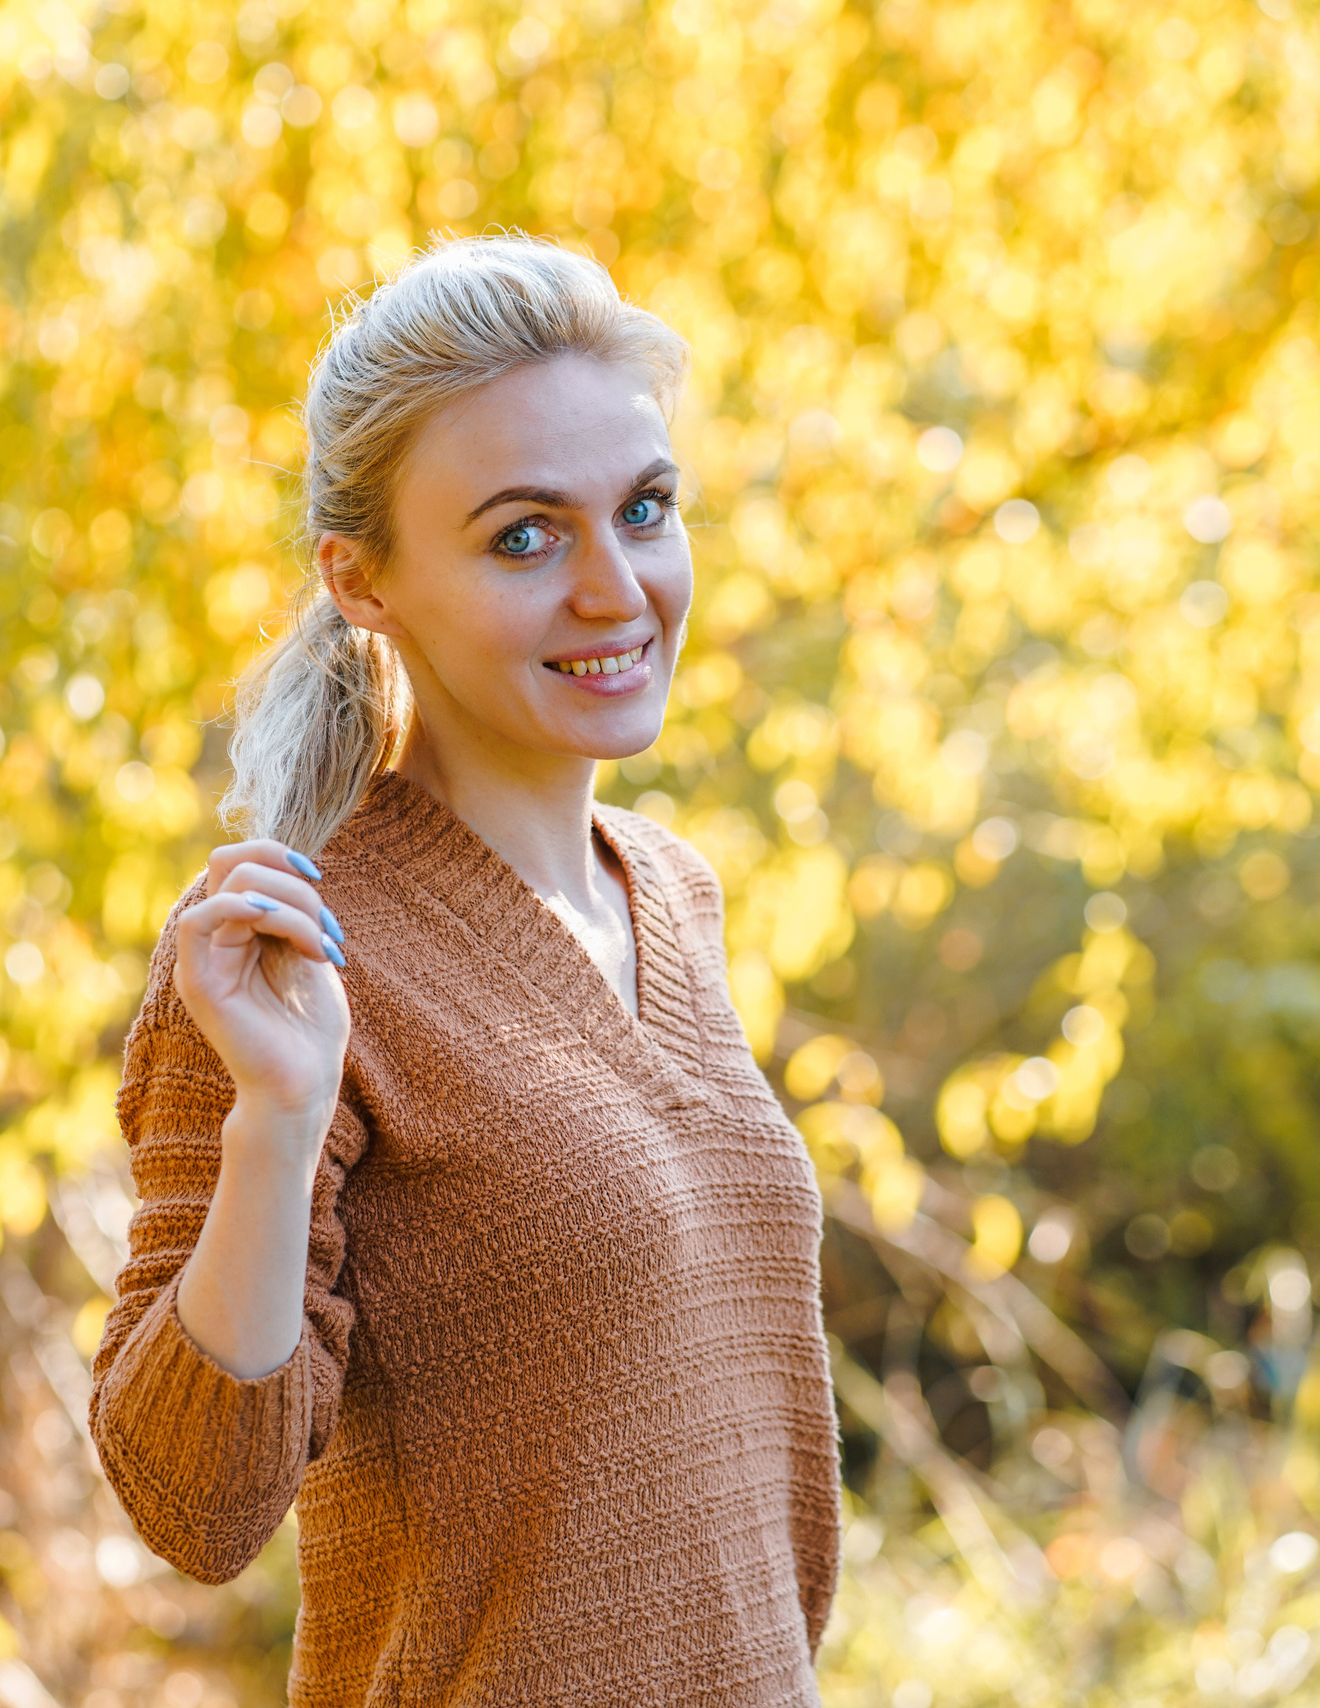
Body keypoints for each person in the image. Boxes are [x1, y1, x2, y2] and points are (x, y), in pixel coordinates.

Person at [89, 235, 837, 1705]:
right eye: (524, 536)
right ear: (362, 581)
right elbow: (194, 1502)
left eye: (646, 510)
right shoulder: (280, 960)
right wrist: (277, 1118)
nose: (617, 591)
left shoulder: (673, 896)